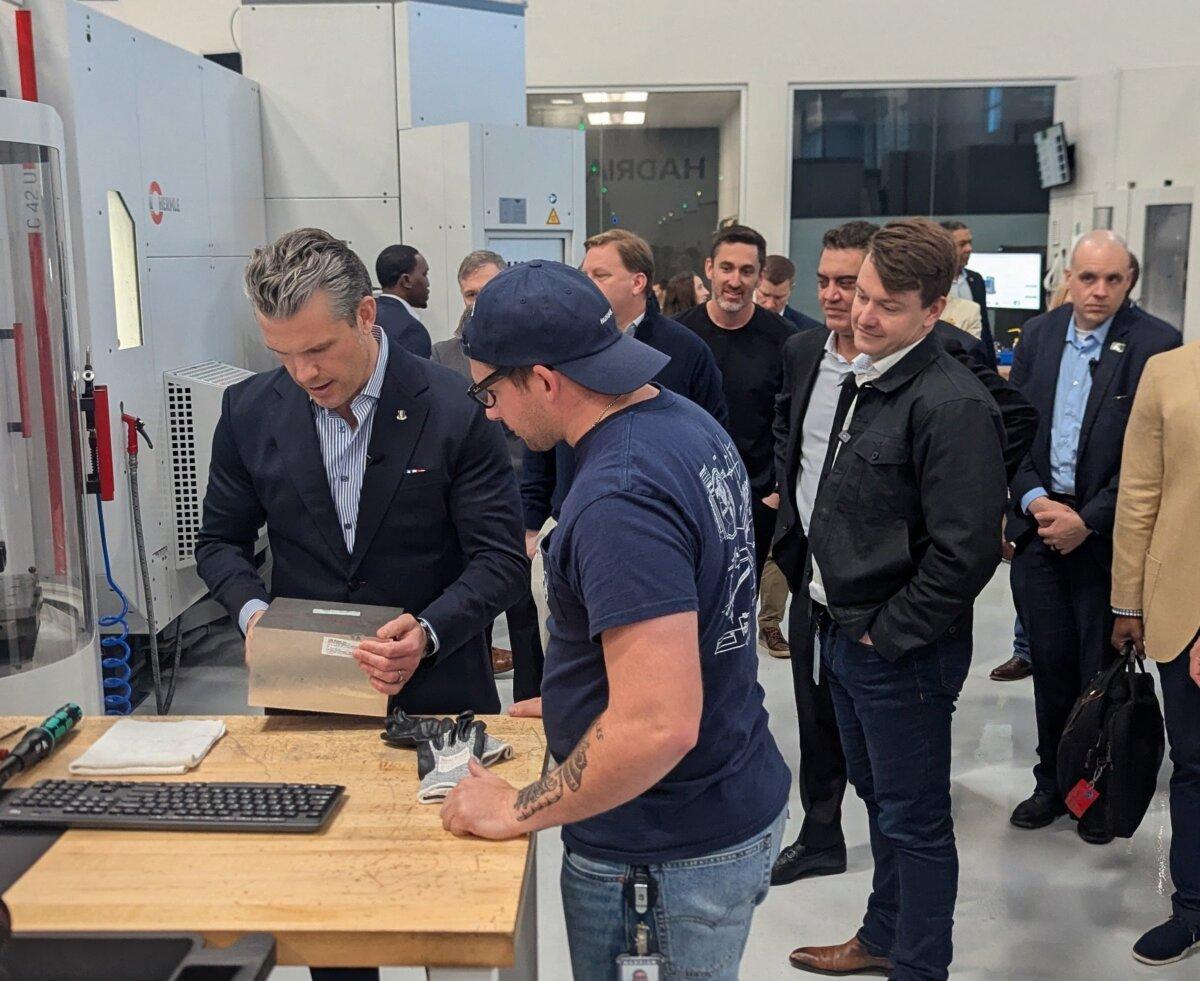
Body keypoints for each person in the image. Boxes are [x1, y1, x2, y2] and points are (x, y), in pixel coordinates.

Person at [440, 259, 791, 981]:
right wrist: (577, 700)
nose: (491, 413)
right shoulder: (678, 418)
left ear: (542, 379)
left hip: (659, 850)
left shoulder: (619, 496)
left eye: (490, 390)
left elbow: (657, 723)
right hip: (723, 786)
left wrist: (519, 806)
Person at [771, 219, 1036, 895]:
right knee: (879, 798)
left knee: (913, 819)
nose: (860, 312)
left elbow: (966, 551)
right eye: (856, 293)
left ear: (933, 310)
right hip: (839, 612)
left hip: (898, 640)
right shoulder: (856, 370)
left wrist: (884, 630)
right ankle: (883, 932)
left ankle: (916, 961)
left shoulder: (949, 398)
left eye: (886, 304)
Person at [196, 228, 528, 718]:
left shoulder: (454, 407)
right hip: (304, 693)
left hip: (437, 691)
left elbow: (501, 559)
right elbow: (220, 542)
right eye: (282, 355)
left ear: (365, 315)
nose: (303, 374)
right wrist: (255, 616)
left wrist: (429, 632)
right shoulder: (249, 410)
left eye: (317, 350)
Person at [1007, 230, 1181, 842]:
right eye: (1088, 278)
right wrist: (1033, 501)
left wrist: (1089, 520)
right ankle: (1052, 784)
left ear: (1129, 279)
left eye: (1112, 279)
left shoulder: (1157, 346)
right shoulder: (1039, 336)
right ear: (1069, 276)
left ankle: (1097, 793)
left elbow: (1151, 465)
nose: (1099, 291)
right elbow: (1015, 429)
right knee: (1048, 665)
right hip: (1041, 528)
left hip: (1109, 538)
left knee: (1101, 671)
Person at [520, 231, 728, 553]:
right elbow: (542, 436)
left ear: (638, 282)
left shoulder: (687, 351)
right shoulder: (563, 348)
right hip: (572, 518)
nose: (587, 285)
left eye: (600, 275)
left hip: (659, 526)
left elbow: (710, 441)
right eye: (583, 275)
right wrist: (532, 522)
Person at [1111, 342, 1200, 967]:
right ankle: (1193, 906)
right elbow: (1140, 492)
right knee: (1195, 765)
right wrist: (1128, 602)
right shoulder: (1169, 372)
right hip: (1182, 607)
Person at [431, 249, 545, 700]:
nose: (478, 303)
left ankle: (530, 705)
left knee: (525, 611)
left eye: (488, 291)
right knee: (466, 610)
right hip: (460, 502)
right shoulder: (442, 355)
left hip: (521, 493)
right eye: (470, 294)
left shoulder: (531, 350)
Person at [676, 225, 794, 585]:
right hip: (686, 495)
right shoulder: (678, 336)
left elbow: (791, 420)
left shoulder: (786, 341)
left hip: (753, 502)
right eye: (727, 268)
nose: (735, 280)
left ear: (759, 276)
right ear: (709, 268)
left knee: (739, 606)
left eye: (746, 271)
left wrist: (775, 492)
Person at [940, 220, 996, 366]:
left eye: (970, 243)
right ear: (945, 247)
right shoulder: (933, 283)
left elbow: (985, 329)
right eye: (962, 244)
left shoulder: (975, 280)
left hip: (973, 361)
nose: (969, 249)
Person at [374, 243, 433, 358]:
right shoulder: (410, 331)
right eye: (424, 274)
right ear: (406, 280)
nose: (428, 283)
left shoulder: (367, 318)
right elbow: (417, 375)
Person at [756, 254, 822, 332]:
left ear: (791, 288)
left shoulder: (811, 331)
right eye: (765, 295)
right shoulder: (738, 320)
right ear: (755, 283)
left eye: (779, 297)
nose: (770, 305)